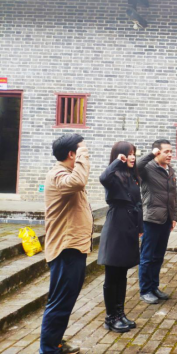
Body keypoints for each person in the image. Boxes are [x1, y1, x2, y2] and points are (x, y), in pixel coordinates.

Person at [40, 134, 91, 355]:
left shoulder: (66, 173)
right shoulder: (58, 175)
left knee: (66, 301)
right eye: (82, 150)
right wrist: (83, 155)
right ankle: (48, 349)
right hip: (65, 249)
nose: (86, 154)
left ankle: (55, 342)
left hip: (74, 248)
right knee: (60, 302)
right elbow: (79, 182)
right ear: (72, 154)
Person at [98, 142, 143, 333]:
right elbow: (103, 177)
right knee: (112, 274)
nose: (132, 157)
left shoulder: (132, 176)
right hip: (116, 226)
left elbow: (138, 202)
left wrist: (140, 226)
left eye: (134, 154)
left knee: (122, 274)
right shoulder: (113, 176)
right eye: (128, 154)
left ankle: (120, 313)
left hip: (129, 226)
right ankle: (110, 317)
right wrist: (117, 161)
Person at [137, 140, 177, 304]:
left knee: (158, 256)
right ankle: (145, 290)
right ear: (157, 152)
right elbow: (136, 167)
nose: (170, 155)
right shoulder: (147, 169)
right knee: (147, 257)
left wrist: (174, 216)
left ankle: (154, 287)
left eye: (171, 151)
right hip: (151, 219)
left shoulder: (170, 170)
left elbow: (173, 196)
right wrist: (150, 155)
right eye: (166, 151)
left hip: (166, 219)